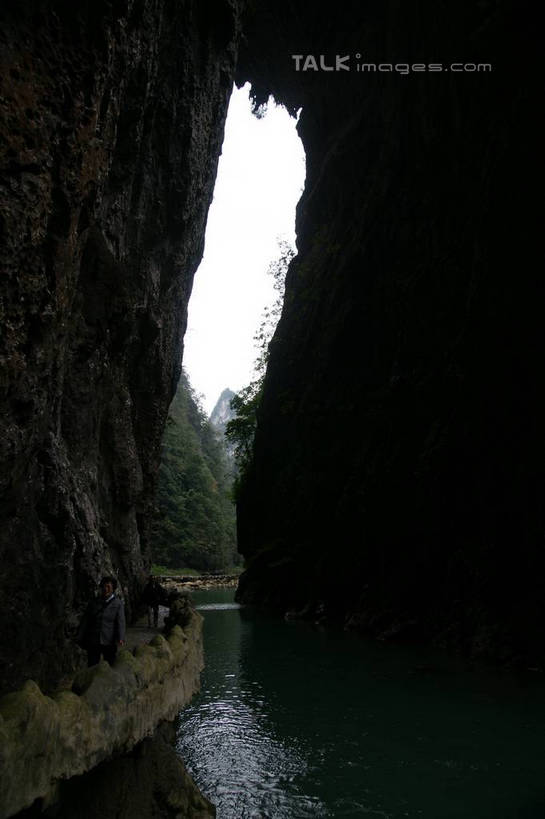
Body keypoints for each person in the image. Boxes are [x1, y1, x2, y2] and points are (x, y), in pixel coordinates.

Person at [77, 576, 126, 667]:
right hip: (93, 639)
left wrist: (121, 637)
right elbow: (86, 619)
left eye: (108, 587)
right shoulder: (94, 602)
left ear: (113, 589)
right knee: (92, 665)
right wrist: (80, 635)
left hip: (109, 640)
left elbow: (121, 621)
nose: (105, 589)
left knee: (111, 665)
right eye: (104, 586)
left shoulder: (118, 603)